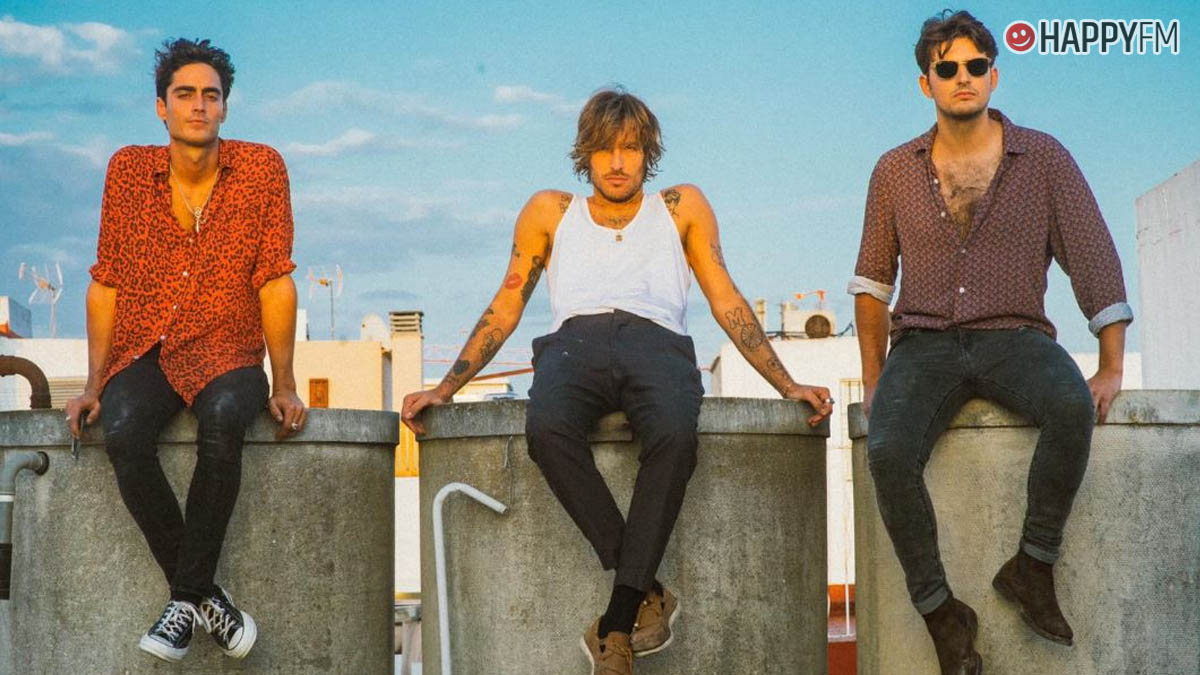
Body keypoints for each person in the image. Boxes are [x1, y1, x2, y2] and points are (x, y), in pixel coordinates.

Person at [402, 88, 832, 674]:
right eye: (604, 149)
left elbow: (726, 297)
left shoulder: (680, 206)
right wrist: (445, 389)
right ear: (585, 153)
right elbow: (507, 302)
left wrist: (788, 383)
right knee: (546, 430)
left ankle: (616, 623)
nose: (618, 163)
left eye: (630, 148)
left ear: (648, 152)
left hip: (657, 343)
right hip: (573, 344)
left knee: (675, 434)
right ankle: (645, 591)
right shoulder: (550, 211)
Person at [848, 10, 1132, 674]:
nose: (963, 77)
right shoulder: (894, 170)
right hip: (923, 343)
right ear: (926, 83)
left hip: (1015, 335)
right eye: (947, 67)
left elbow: (1092, 254)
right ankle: (942, 613)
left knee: (1070, 403)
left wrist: (1110, 363)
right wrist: (875, 381)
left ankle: (1032, 566)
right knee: (887, 449)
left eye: (976, 65)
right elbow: (871, 283)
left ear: (994, 75)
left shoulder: (1044, 158)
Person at [64, 38, 305, 663]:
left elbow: (275, 280)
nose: (199, 105)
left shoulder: (261, 169)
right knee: (122, 430)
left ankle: (181, 602)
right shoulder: (127, 171)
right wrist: (92, 384)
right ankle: (203, 598)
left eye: (211, 95)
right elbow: (107, 281)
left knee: (223, 418)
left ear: (225, 107)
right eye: (185, 94)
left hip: (229, 350)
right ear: (161, 107)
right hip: (147, 345)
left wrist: (284, 383)